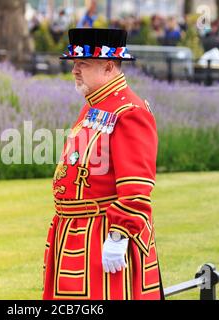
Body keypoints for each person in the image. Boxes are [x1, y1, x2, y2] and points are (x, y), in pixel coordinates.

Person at [42, 28, 164, 300]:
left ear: (109, 66)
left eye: (82, 63)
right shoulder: (95, 105)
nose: (74, 70)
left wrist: (119, 235)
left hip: (102, 234)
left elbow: (137, 186)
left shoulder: (130, 112)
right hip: (75, 231)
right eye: (75, 63)